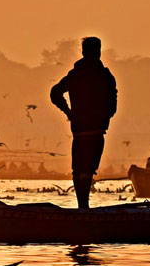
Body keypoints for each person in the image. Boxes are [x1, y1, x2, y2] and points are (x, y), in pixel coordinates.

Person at [50, 36, 118, 208]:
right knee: (86, 170)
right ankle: (83, 207)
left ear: (83, 51)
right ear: (98, 51)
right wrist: (102, 116)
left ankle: (83, 205)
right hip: (93, 131)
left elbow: (55, 92)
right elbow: (113, 104)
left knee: (80, 170)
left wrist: (70, 113)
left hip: (81, 131)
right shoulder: (104, 75)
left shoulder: (77, 74)